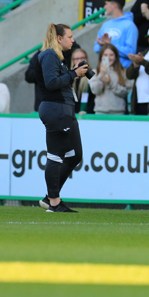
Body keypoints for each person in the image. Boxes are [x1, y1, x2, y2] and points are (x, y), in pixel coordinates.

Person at [36, 24, 88, 213]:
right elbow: (51, 84)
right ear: (59, 38)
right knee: (55, 156)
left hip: (65, 110)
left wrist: (71, 72)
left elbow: (58, 80)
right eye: (70, 36)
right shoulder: (50, 55)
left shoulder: (57, 57)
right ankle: (54, 202)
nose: (72, 40)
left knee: (75, 155)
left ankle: (50, 196)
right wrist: (74, 74)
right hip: (56, 109)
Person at [96, 0, 138, 68]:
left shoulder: (130, 25)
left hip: (123, 71)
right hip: (106, 69)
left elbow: (131, 53)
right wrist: (101, 45)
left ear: (114, 5)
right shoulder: (105, 25)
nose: (104, 7)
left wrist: (110, 44)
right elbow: (96, 48)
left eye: (106, 4)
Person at [88, 43, 131, 114]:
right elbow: (95, 91)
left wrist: (110, 82)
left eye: (111, 55)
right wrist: (101, 75)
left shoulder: (122, 72)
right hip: (100, 111)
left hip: (118, 111)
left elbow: (124, 92)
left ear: (115, 57)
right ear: (101, 57)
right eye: (105, 55)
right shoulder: (94, 71)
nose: (108, 57)